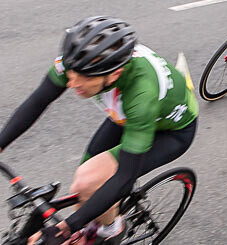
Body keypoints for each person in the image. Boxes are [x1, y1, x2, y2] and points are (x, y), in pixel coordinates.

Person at [0, 17, 198, 245]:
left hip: (171, 131)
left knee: (88, 182)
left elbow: (125, 176)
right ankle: (97, 222)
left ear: (114, 74)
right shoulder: (79, 62)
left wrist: (65, 228)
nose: (72, 83)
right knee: (84, 183)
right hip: (126, 116)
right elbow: (38, 101)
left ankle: (111, 230)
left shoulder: (142, 94)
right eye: (71, 73)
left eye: (83, 78)